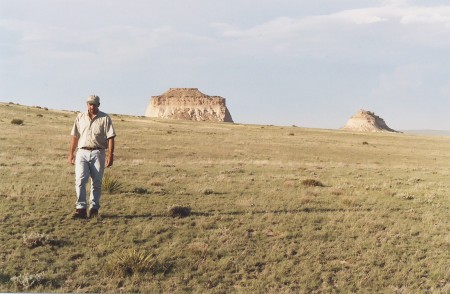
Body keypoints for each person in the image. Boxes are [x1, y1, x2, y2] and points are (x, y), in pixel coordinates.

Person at [68, 95, 116, 219]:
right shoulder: (80, 117)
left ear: (98, 105)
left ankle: (94, 209)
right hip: (82, 152)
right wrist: (71, 153)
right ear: (86, 104)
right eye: (89, 104)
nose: (92, 106)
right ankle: (80, 209)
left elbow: (111, 137)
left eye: (94, 104)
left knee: (97, 182)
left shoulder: (105, 118)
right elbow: (75, 136)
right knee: (80, 180)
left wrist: (110, 155)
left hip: (98, 152)